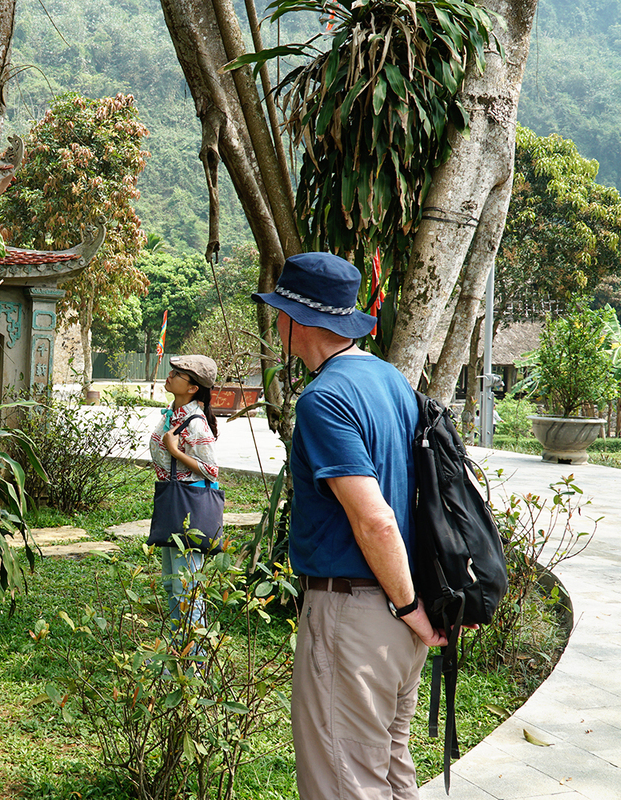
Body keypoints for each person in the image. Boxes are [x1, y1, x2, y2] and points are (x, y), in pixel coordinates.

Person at [252, 252, 446, 800]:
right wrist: (411, 615)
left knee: (345, 785)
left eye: (279, 311)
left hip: (354, 615)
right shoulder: (391, 381)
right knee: (391, 775)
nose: (277, 324)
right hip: (397, 624)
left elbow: (375, 520)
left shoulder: (324, 399)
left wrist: (409, 608)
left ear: (297, 317)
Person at [148, 354, 220, 639]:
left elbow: (211, 470)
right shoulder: (171, 413)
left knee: (186, 586)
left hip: (187, 508)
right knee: (171, 583)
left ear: (193, 388)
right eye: (173, 370)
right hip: (173, 504)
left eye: (178, 374)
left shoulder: (195, 423)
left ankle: (196, 658)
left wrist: (176, 453)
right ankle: (179, 650)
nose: (170, 375)